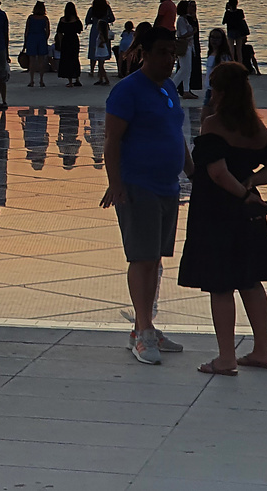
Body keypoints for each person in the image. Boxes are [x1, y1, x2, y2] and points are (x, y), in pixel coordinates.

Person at [177, 62, 267, 376]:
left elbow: (217, 173)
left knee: (221, 285)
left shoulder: (213, 124)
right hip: (248, 215)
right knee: (250, 281)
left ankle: (226, 357)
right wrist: (251, 184)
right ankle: (262, 349)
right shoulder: (257, 128)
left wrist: (241, 193)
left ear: (220, 91)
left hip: (217, 212)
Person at [101, 24, 191, 366]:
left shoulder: (168, 87)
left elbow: (175, 132)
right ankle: (142, 332)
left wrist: (192, 170)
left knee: (155, 258)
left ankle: (147, 325)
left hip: (168, 186)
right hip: (139, 185)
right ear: (147, 54)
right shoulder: (128, 90)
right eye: (164, 54)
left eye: (173, 54)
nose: (170, 60)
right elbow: (111, 139)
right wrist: (116, 182)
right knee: (141, 257)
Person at [203, 28, 235, 108]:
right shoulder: (211, 53)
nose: (214, 40)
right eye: (212, 37)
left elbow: (226, 74)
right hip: (210, 89)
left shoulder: (224, 56)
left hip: (218, 90)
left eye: (217, 38)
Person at [24, 1, 51, 87]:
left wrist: (25, 42)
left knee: (32, 61)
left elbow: (27, 30)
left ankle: (31, 80)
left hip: (32, 38)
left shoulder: (31, 18)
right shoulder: (45, 19)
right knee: (41, 61)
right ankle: (41, 80)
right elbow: (48, 31)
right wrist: (45, 39)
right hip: (41, 38)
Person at [222, 0, 250, 67]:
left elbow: (223, 22)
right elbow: (242, 19)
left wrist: (226, 9)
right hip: (239, 32)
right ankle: (240, 65)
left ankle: (232, 64)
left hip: (231, 31)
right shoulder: (240, 12)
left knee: (231, 49)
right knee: (239, 50)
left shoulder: (228, 13)